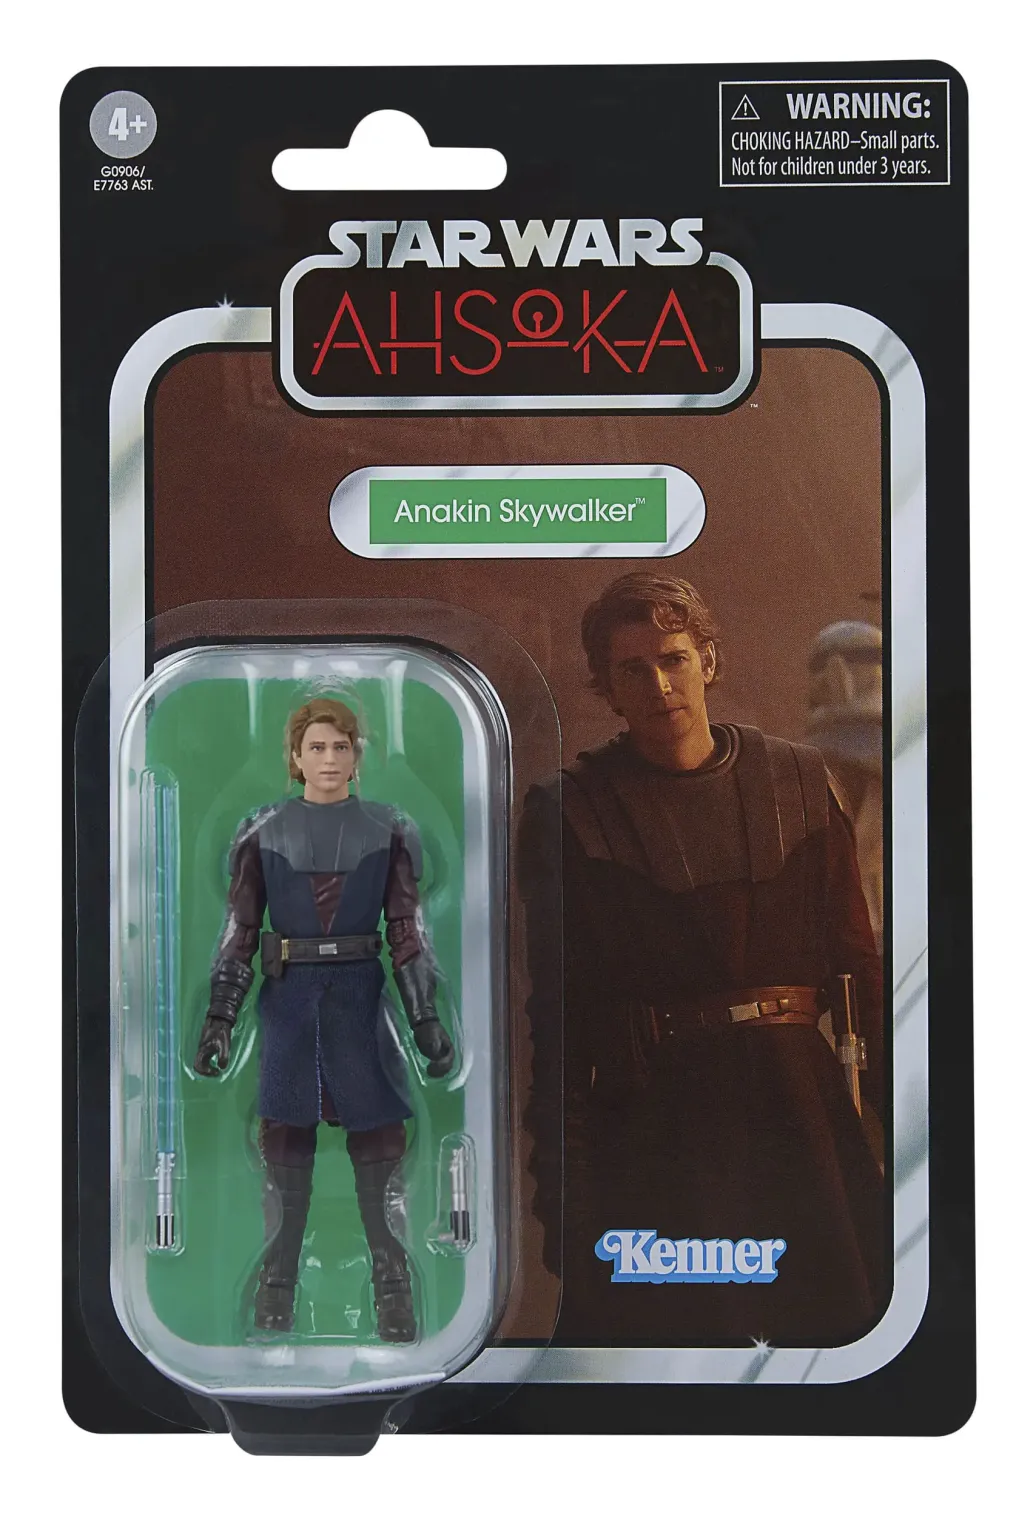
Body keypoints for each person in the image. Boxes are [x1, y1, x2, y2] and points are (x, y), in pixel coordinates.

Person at [520, 573, 885, 1345]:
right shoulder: (572, 813)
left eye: (673, 659)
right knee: (675, 1362)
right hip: (661, 1134)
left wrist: (914, 1153)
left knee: (835, 1351)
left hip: (803, 1122)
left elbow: (862, 979)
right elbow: (559, 1028)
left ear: (707, 661)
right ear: (608, 688)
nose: (659, 685)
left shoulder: (797, 782)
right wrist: (569, 1205)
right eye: (633, 670)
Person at [193, 697, 454, 1343]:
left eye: (340, 746)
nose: (329, 759)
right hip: (289, 1002)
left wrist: (425, 1019)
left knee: (381, 1144)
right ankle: (276, 1283)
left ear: (357, 754)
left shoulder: (389, 831)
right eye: (317, 747)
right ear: (295, 756)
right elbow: (240, 933)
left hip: (360, 1000)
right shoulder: (262, 833)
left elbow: (408, 933)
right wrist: (220, 1017)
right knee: (285, 1144)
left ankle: (393, 1285)